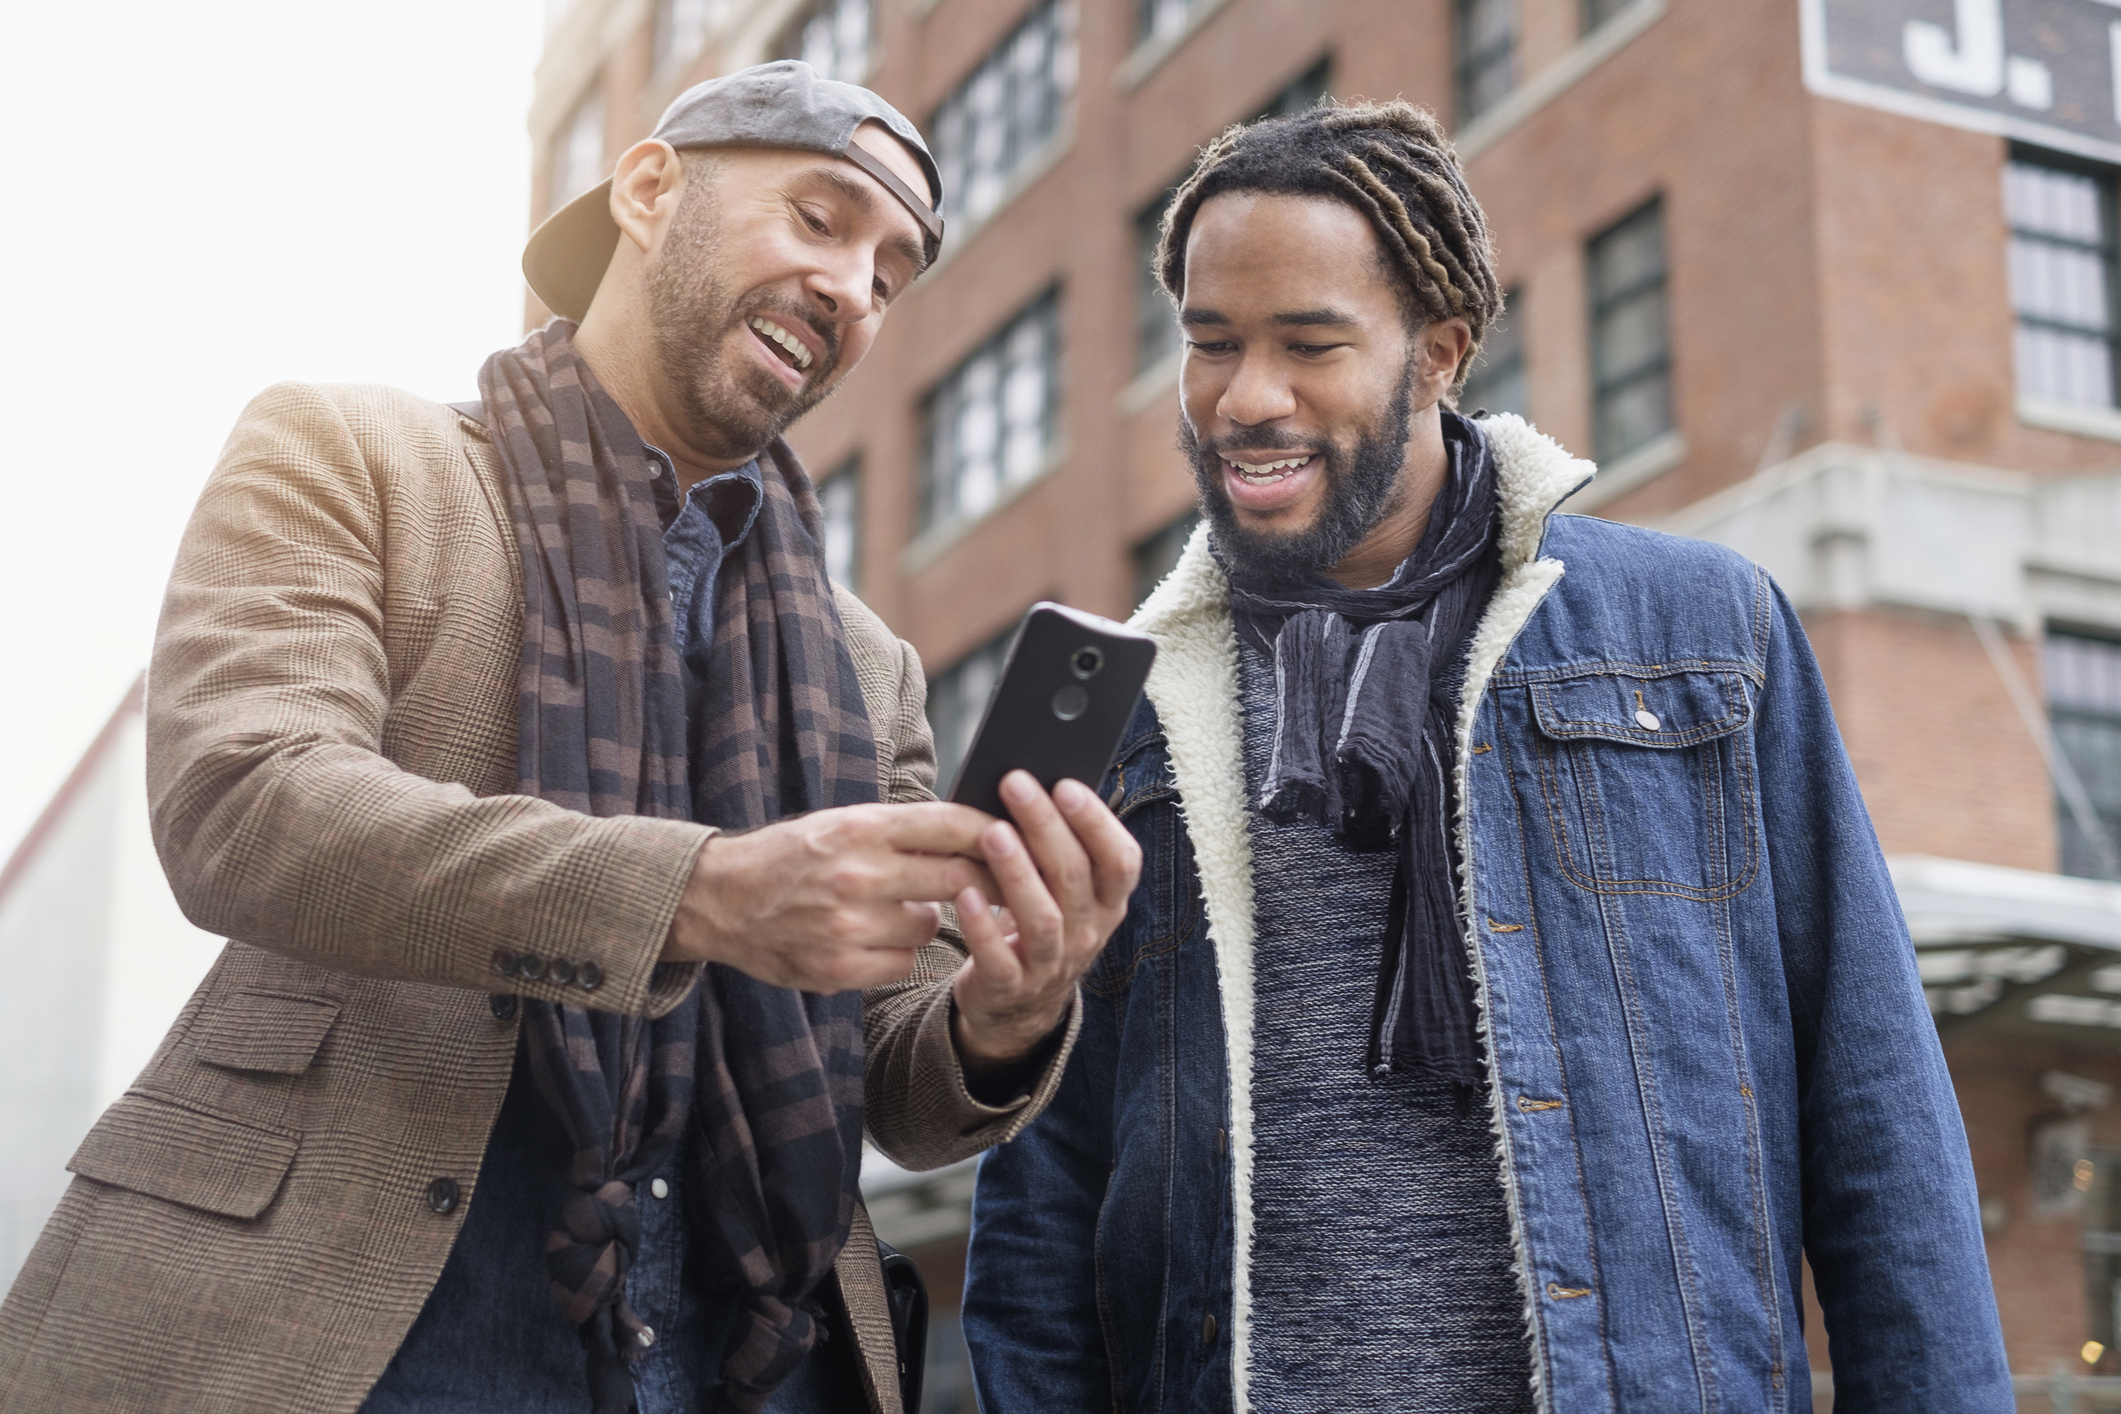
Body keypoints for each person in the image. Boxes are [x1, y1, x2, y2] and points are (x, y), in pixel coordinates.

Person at [0, 62, 1138, 1414]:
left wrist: (1003, 1014)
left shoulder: (867, 664)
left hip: (741, 1361)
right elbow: (248, 804)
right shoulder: (352, 454)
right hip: (342, 1330)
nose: (852, 290)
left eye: (890, 276)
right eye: (823, 221)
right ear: (650, 190)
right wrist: (699, 894)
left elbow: (896, 1071)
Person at [962, 100, 2012, 1413]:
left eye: (1309, 344)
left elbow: (1876, 1118)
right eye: (1210, 343)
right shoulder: (1132, 711)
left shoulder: (1701, 634)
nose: (1246, 398)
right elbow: (1043, 1198)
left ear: (1438, 353)